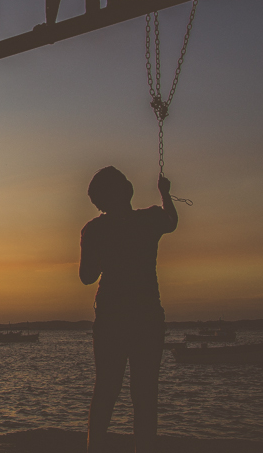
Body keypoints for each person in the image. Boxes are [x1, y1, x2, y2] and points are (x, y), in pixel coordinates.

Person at [79, 167, 178, 453]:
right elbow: (171, 221)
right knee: (145, 395)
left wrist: (99, 248)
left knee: (105, 392)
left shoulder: (94, 229)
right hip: (147, 317)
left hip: (112, 319)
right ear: (128, 191)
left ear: (99, 202)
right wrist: (165, 194)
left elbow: (87, 277)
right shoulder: (149, 219)